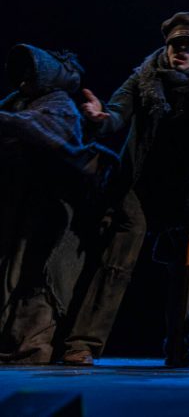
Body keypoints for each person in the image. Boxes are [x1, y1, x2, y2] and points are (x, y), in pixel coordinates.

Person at [63, 12, 189, 367]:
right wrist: (100, 118)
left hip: (188, 190)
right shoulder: (143, 78)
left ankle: (180, 346)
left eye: (188, 46)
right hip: (141, 185)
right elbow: (116, 113)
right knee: (117, 262)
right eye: (175, 45)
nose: (180, 51)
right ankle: (82, 343)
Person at [0, 45, 117, 364]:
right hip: (18, 205)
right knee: (13, 275)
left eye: (30, 71)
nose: (24, 79)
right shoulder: (16, 103)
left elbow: (42, 132)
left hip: (50, 209)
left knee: (37, 279)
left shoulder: (59, 104)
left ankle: (32, 348)